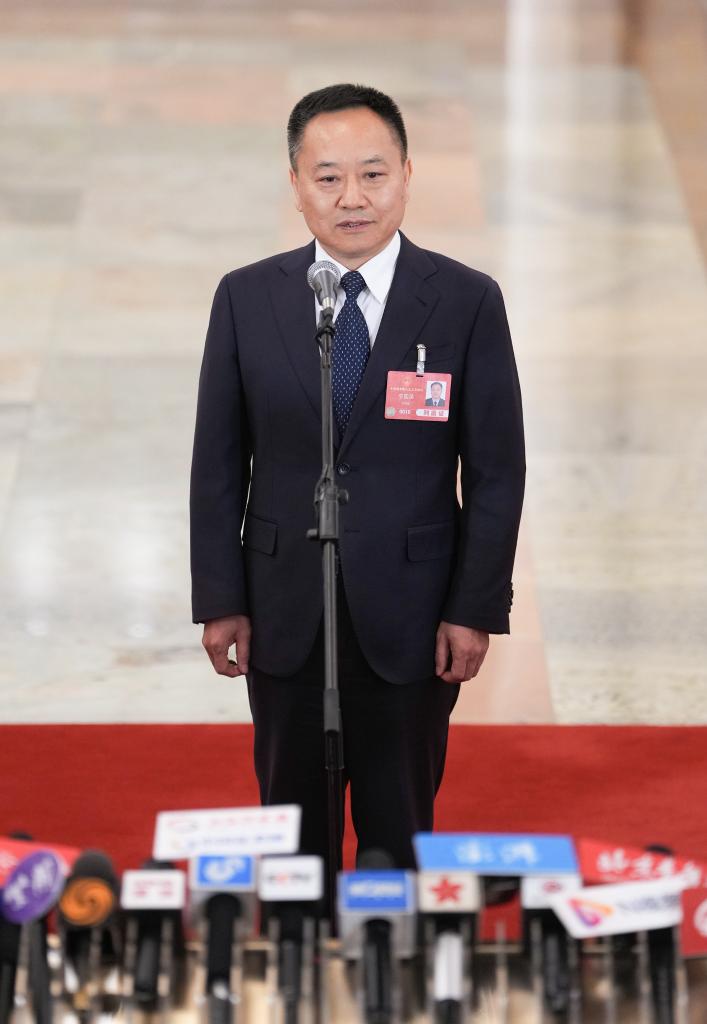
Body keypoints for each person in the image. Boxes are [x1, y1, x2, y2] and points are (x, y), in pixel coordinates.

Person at [190, 83, 525, 869]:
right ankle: (298, 966)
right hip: (282, 609)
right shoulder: (246, 297)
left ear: (407, 174)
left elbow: (497, 471)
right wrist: (221, 598)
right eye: (328, 176)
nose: (351, 198)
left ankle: (392, 970)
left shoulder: (466, 302)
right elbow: (215, 462)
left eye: (372, 175)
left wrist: (473, 607)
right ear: (296, 185)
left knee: (398, 830)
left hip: (412, 614)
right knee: (291, 838)